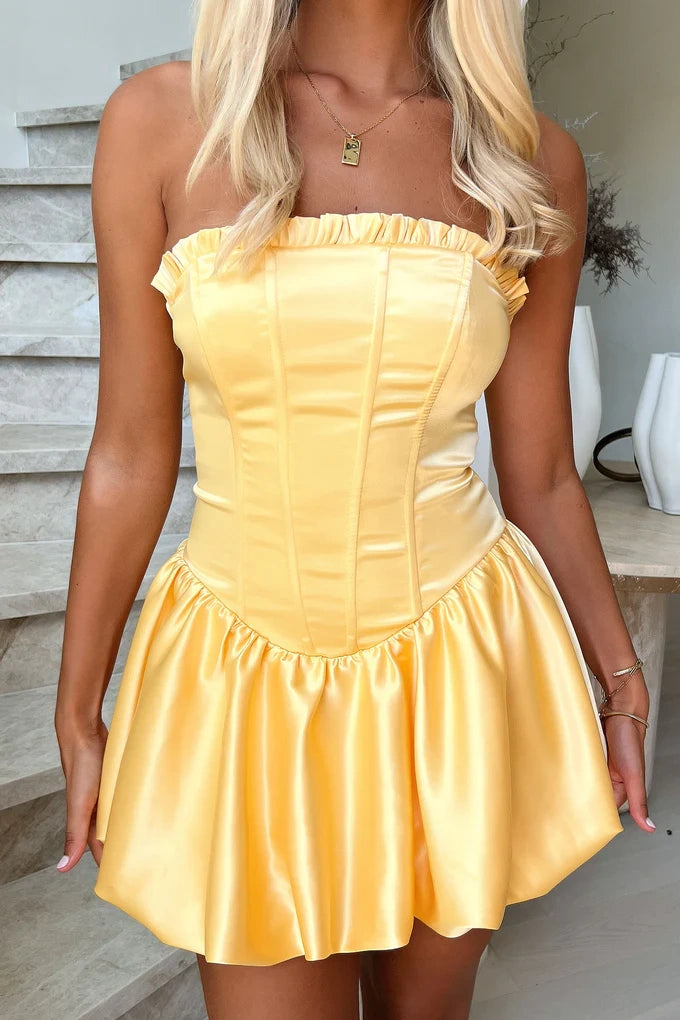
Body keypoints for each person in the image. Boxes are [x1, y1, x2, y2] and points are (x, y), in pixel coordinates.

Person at [54, 1, 653, 1017]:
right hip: (239, 674)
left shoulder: (523, 158)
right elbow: (128, 454)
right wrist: (77, 708)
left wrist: (620, 681)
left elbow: (545, 472)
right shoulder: (161, 120)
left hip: (456, 670)